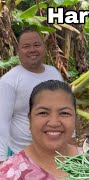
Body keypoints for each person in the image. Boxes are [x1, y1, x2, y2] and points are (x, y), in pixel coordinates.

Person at [0, 29, 63, 163]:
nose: (32, 50)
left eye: (36, 45)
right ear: (18, 51)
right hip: (21, 155)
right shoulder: (9, 81)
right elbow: (2, 123)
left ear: (43, 47)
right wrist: (2, 159)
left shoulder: (54, 73)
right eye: (26, 46)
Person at [0, 80, 80, 179]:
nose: (54, 123)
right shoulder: (9, 174)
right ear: (30, 119)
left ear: (75, 119)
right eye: (43, 113)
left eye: (64, 113)